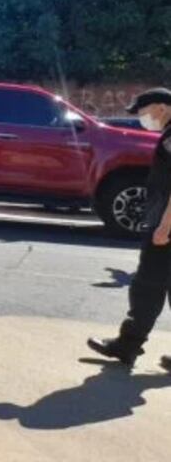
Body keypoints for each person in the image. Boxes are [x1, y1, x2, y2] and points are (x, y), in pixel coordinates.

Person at [88, 88, 171, 372]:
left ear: (161, 107)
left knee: (147, 286)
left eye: (143, 112)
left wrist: (165, 225)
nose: (142, 118)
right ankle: (128, 344)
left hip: (166, 226)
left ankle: (128, 345)